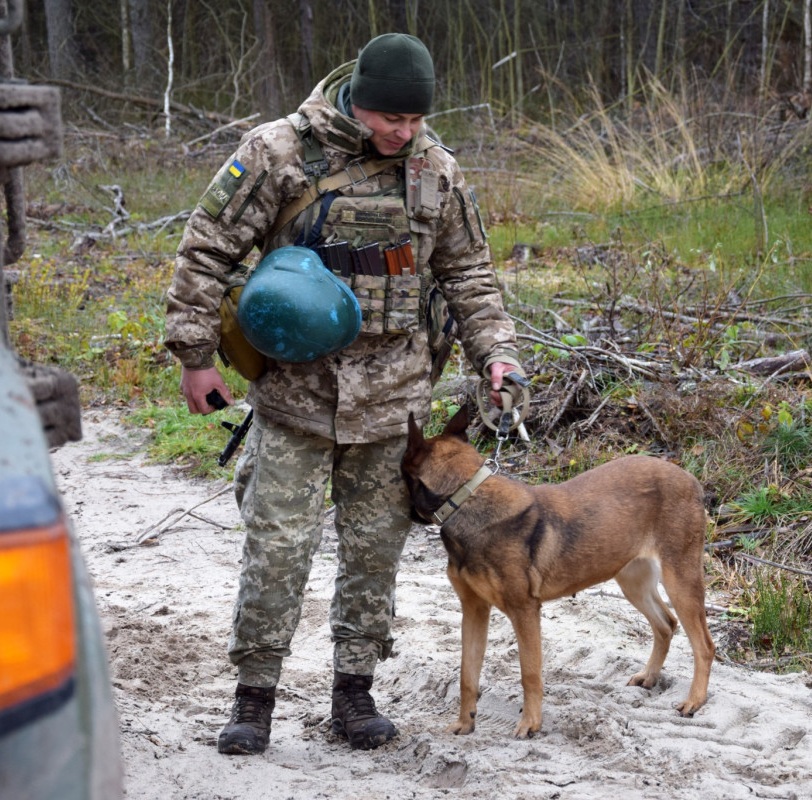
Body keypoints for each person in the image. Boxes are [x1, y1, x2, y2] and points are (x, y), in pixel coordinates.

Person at [163, 32, 522, 755]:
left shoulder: (436, 172)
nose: (404, 131)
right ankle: (253, 698)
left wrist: (498, 357)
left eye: (416, 120)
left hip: (394, 403)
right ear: (357, 99)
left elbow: (470, 277)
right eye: (392, 118)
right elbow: (207, 248)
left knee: (372, 555)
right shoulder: (276, 153)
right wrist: (194, 357)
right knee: (276, 550)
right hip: (295, 395)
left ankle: (353, 694)